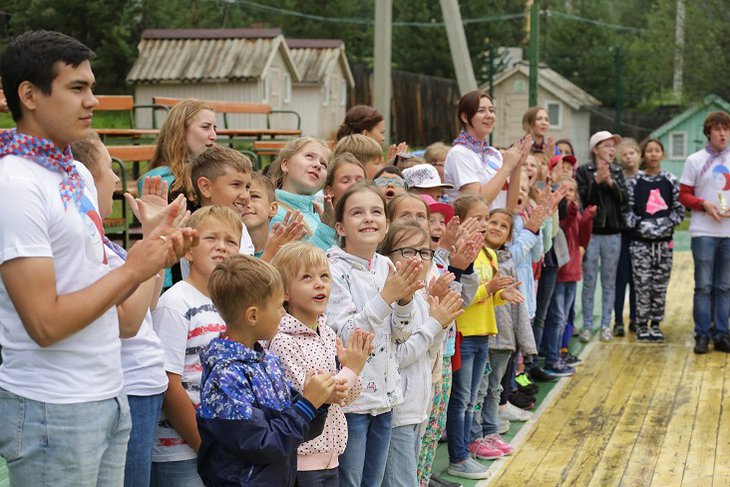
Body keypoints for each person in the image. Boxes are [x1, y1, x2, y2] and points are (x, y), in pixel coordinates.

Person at [0, 30, 192, 486]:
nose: (93, 100)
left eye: (92, 86)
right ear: (29, 95)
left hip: (109, 395)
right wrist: (132, 267)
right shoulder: (14, 184)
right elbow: (45, 325)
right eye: (77, 88)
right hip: (53, 408)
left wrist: (155, 252)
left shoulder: (78, 175)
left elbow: (124, 321)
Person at [72, 132, 178, 487]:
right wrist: (154, 241)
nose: (117, 178)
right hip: (127, 384)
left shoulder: (107, 242)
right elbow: (128, 323)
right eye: (107, 165)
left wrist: (152, 238)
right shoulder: (86, 239)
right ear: (85, 176)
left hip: (142, 384)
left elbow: (146, 306)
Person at [197, 254, 335, 486]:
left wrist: (320, 402)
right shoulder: (225, 377)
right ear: (253, 315)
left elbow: (299, 431)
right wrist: (309, 403)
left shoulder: (267, 361)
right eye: (279, 306)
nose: (283, 313)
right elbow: (263, 444)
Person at [326, 183, 425, 487]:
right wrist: (387, 297)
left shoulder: (387, 265)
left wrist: (405, 301)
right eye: (357, 212)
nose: (368, 218)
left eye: (376, 212)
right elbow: (344, 334)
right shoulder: (332, 269)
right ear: (341, 226)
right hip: (352, 401)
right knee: (351, 481)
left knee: (375, 481)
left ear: (385, 225)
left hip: (385, 397)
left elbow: (400, 334)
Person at [151, 206, 242, 486]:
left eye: (231, 241)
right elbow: (169, 383)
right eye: (210, 238)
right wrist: (205, 446)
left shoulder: (234, 306)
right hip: (181, 452)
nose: (221, 247)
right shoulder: (176, 303)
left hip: (226, 448)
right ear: (188, 250)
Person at [269, 242, 372, 486]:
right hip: (302, 460)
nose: (320, 283)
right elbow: (316, 397)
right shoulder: (283, 341)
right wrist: (352, 369)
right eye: (307, 277)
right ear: (284, 292)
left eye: (324, 276)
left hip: (332, 456)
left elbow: (347, 397)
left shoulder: (327, 332)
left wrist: (352, 370)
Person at [380, 223, 464, 487]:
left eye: (424, 252)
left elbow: (428, 352)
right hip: (399, 412)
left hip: (417, 408)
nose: (417, 259)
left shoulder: (418, 297)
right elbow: (398, 356)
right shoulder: (391, 299)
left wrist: (440, 322)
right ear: (388, 256)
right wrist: (434, 323)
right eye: (407, 251)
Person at [445, 194, 521, 480]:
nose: (485, 224)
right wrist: (489, 289)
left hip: (483, 333)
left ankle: (471, 444)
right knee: (462, 398)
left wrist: (501, 294)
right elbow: (462, 298)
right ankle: (459, 455)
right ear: (460, 221)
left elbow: (488, 296)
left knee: (474, 396)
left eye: (487, 218)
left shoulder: (488, 254)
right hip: (464, 333)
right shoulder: (461, 253)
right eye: (478, 219)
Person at [470, 209, 533, 459]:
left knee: (494, 388)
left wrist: (526, 344)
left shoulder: (508, 263)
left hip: (503, 338)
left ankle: (491, 431)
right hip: (480, 334)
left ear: (509, 236)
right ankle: (478, 435)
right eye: (491, 222)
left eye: (502, 226)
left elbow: (519, 305)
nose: (495, 227)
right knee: (479, 389)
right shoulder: (476, 258)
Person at [679, 111, 730, 353]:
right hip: (703, 232)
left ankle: (722, 333)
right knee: (703, 285)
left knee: (724, 286)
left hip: (728, 232)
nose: (723, 133)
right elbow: (684, 194)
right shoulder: (695, 160)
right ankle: (702, 334)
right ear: (708, 132)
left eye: (726, 129)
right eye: (718, 129)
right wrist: (704, 204)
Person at [624, 139, 684, 342]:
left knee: (660, 284)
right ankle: (641, 324)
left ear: (662, 155)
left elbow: (679, 211)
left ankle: (656, 323)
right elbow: (628, 213)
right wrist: (644, 227)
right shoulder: (634, 182)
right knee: (642, 284)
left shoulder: (670, 180)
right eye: (649, 151)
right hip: (640, 244)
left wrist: (661, 226)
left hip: (664, 244)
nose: (653, 154)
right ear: (643, 155)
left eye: (657, 151)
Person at [576, 131, 628, 343]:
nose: (611, 150)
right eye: (606, 145)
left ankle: (606, 324)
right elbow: (584, 200)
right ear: (595, 149)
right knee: (589, 281)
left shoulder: (618, 172)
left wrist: (610, 183)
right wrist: (597, 181)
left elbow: (624, 200)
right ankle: (588, 326)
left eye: (613, 146)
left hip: (613, 233)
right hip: (592, 234)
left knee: (609, 281)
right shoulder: (583, 171)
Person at [543, 179, 596, 375]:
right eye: (564, 191)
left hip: (573, 271)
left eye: (572, 191)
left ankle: (559, 353)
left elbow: (583, 238)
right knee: (557, 318)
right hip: (560, 273)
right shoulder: (562, 215)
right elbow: (566, 224)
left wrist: (588, 218)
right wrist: (573, 209)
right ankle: (552, 356)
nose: (568, 194)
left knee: (564, 317)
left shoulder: (576, 211)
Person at [443, 90, 528, 209]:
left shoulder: (494, 154)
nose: (489, 115)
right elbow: (476, 204)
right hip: (475, 227)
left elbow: (510, 207)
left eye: (492, 110)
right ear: (465, 117)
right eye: (481, 111)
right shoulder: (459, 153)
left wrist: (517, 165)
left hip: (497, 225)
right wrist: (506, 167)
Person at [267, 137, 337, 251]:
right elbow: (296, 263)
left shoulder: (322, 212)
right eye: (309, 156)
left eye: (323, 164)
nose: (318, 165)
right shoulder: (274, 213)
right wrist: (327, 229)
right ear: (285, 164)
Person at [143, 99, 217, 206]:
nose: (214, 136)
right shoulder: (160, 180)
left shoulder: (218, 171)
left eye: (214, 128)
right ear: (181, 131)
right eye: (205, 127)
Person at [242, 171, 305, 260]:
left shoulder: (284, 249)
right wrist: (269, 254)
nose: (246, 204)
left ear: (273, 208)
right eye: (241, 199)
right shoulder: (231, 251)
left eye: (254, 196)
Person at [614, 138, 641, 336]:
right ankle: (618, 320)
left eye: (632, 153)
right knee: (620, 278)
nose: (628, 157)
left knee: (636, 279)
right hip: (622, 233)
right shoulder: (618, 178)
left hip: (641, 235)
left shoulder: (645, 179)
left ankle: (635, 318)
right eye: (624, 154)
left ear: (638, 155)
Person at [335, 104, 407, 161]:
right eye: (381, 133)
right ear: (365, 134)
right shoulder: (362, 162)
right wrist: (392, 167)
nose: (383, 138)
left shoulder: (344, 158)